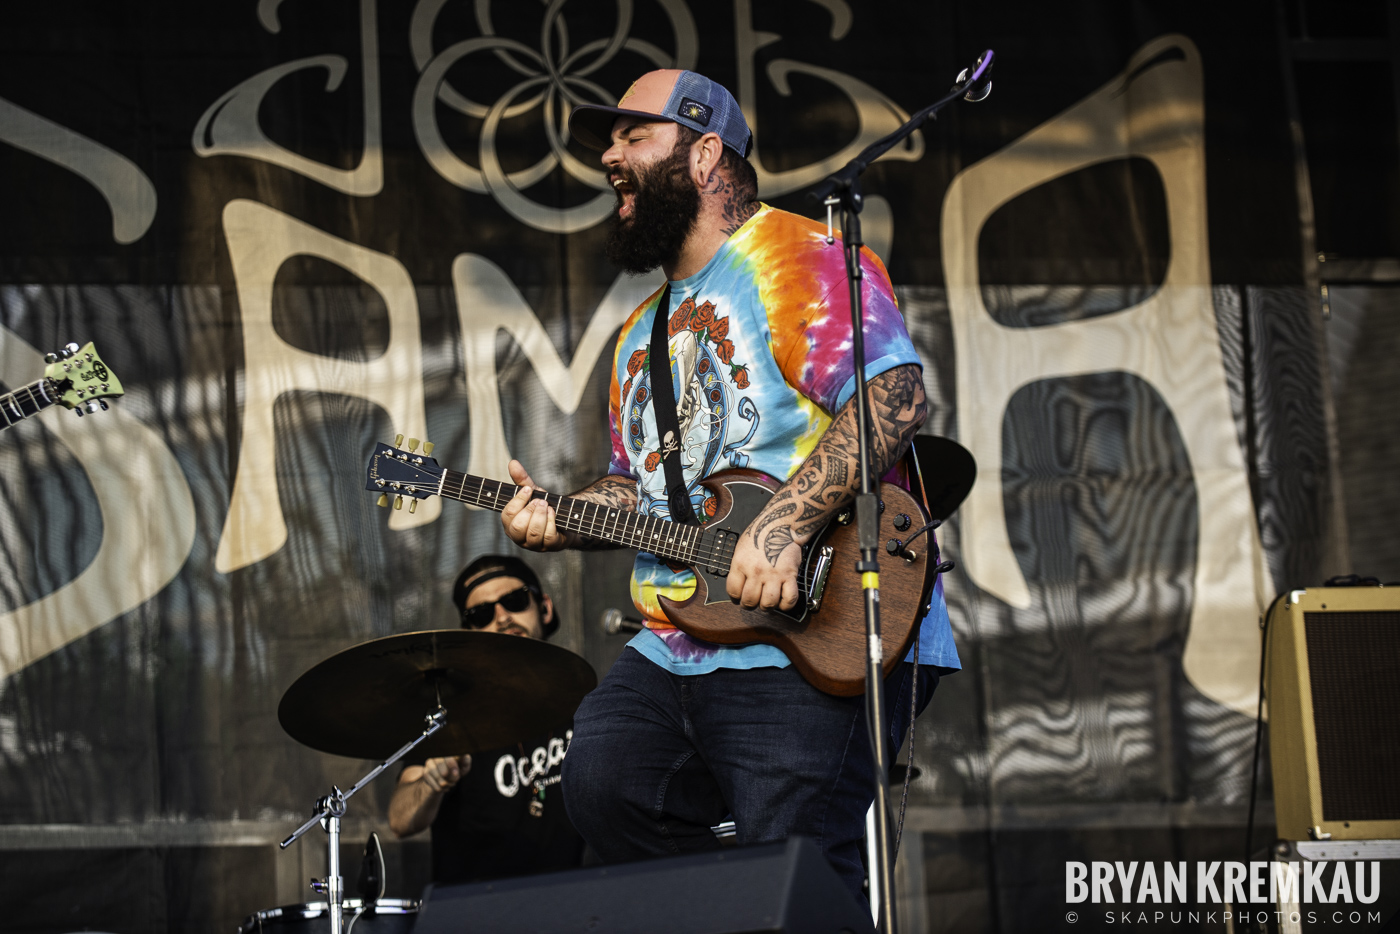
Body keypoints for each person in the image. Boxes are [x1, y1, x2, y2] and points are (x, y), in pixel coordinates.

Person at [498, 69, 960, 900]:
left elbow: (894, 399)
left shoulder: (797, 260)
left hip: (816, 623)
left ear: (705, 152)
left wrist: (784, 525)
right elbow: (639, 494)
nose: (610, 154)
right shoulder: (639, 333)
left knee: (797, 871)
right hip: (679, 636)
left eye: (633, 135)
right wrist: (561, 519)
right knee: (601, 783)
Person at [387, 555, 585, 884]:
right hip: (476, 914)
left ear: (545, 607)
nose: (503, 618)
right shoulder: (449, 714)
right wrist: (432, 784)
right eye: (481, 615)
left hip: (575, 908)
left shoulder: (585, 701)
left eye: (515, 600)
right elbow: (400, 819)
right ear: (469, 634)